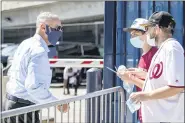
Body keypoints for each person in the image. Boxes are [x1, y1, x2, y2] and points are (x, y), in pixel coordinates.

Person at [119, 11, 184, 122]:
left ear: (157, 29)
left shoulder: (172, 48)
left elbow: (177, 87)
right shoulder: (163, 49)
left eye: (149, 28)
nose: (148, 32)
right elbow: (162, 81)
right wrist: (146, 75)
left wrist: (145, 95)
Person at [4, 12, 69, 123]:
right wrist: (57, 103)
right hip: (24, 109)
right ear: (43, 27)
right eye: (57, 28)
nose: (60, 32)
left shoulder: (26, 43)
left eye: (61, 29)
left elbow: (12, 72)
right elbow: (34, 87)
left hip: (12, 105)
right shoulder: (39, 51)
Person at [122, 18, 158, 123]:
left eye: (135, 33)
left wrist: (131, 79)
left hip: (153, 114)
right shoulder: (143, 55)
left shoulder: (155, 55)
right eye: (131, 34)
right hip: (144, 112)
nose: (132, 36)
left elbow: (155, 87)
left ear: (147, 33)